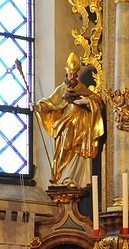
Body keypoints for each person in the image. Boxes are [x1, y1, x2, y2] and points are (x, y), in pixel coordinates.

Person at [35, 53, 104, 188]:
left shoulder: (82, 88)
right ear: (66, 74)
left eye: (74, 75)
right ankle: (63, 177)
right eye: (70, 74)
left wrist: (87, 101)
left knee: (79, 152)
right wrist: (39, 106)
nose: (72, 77)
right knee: (65, 148)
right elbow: (50, 102)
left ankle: (75, 179)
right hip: (66, 124)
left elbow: (97, 101)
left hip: (82, 126)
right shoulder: (61, 89)